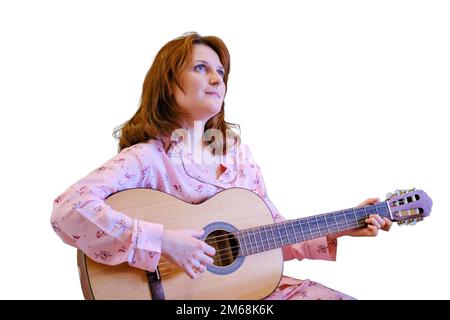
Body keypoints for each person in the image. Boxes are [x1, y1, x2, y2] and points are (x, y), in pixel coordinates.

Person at [50, 32, 392, 300]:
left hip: (252, 293)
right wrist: (164, 242)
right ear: (168, 85)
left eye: (221, 72)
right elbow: (68, 210)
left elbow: (270, 237)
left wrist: (338, 227)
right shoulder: (146, 159)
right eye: (201, 68)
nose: (217, 79)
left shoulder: (239, 161)